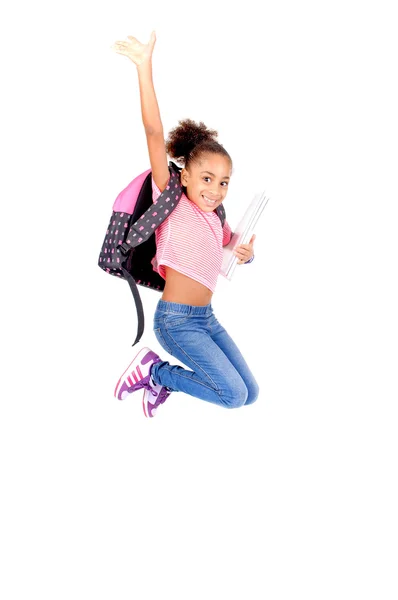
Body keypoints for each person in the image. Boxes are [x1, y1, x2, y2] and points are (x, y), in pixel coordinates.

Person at [112, 31, 259, 417]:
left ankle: (161, 380)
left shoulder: (216, 219)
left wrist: (245, 252)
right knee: (232, 396)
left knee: (251, 393)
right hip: (176, 321)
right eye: (207, 178)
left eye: (224, 181)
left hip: (206, 318)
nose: (215, 189)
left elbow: (232, 247)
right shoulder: (172, 199)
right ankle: (156, 372)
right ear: (186, 176)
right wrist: (144, 66)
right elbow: (154, 133)